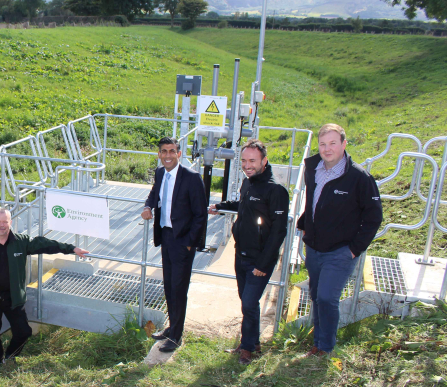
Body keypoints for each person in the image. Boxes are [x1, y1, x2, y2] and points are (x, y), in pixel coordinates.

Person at [297, 123, 382, 356]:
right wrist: (305, 226)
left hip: (341, 251)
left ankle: (325, 347)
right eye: (323, 144)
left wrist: (354, 249)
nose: (327, 149)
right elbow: (314, 201)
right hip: (314, 247)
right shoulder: (312, 168)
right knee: (316, 295)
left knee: (326, 297)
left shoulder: (359, 177)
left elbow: (374, 217)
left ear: (344, 144)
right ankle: (317, 341)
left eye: (333, 143)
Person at [0, 208, 89, 367]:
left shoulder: (20, 241)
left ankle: (10, 356)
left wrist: (71, 249)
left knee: (24, 331)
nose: (2, 225)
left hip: (14, 297)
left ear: (10, 222)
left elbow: (44, 244)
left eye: (5, 222)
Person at [208, 139, 289, 365]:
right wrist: (221, 206)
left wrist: (264, 265)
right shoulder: (248, 183)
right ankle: (252, 343)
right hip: (240, 253)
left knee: (249, 303)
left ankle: (247, 348)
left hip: (259, 259)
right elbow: (244, 205)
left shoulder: (276, 190)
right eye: (243, 160)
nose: (247, 165)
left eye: (252, 160)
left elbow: (278, 232)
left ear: (264, 160)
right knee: (246, 302)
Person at [142, 136, 208, 353]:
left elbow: (200, 215)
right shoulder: (161, 173)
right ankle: (172, 328)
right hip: (166, 237)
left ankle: (176, 337)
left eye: (172, 151)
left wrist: (190, 243)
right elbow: (155, 193)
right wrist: (148, 206)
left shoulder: (191, 178)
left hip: (183, 241)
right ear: (159, 155)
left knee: (179, 289)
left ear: (179, 154)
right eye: (164, 151)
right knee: (169, 286)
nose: (168, 155)